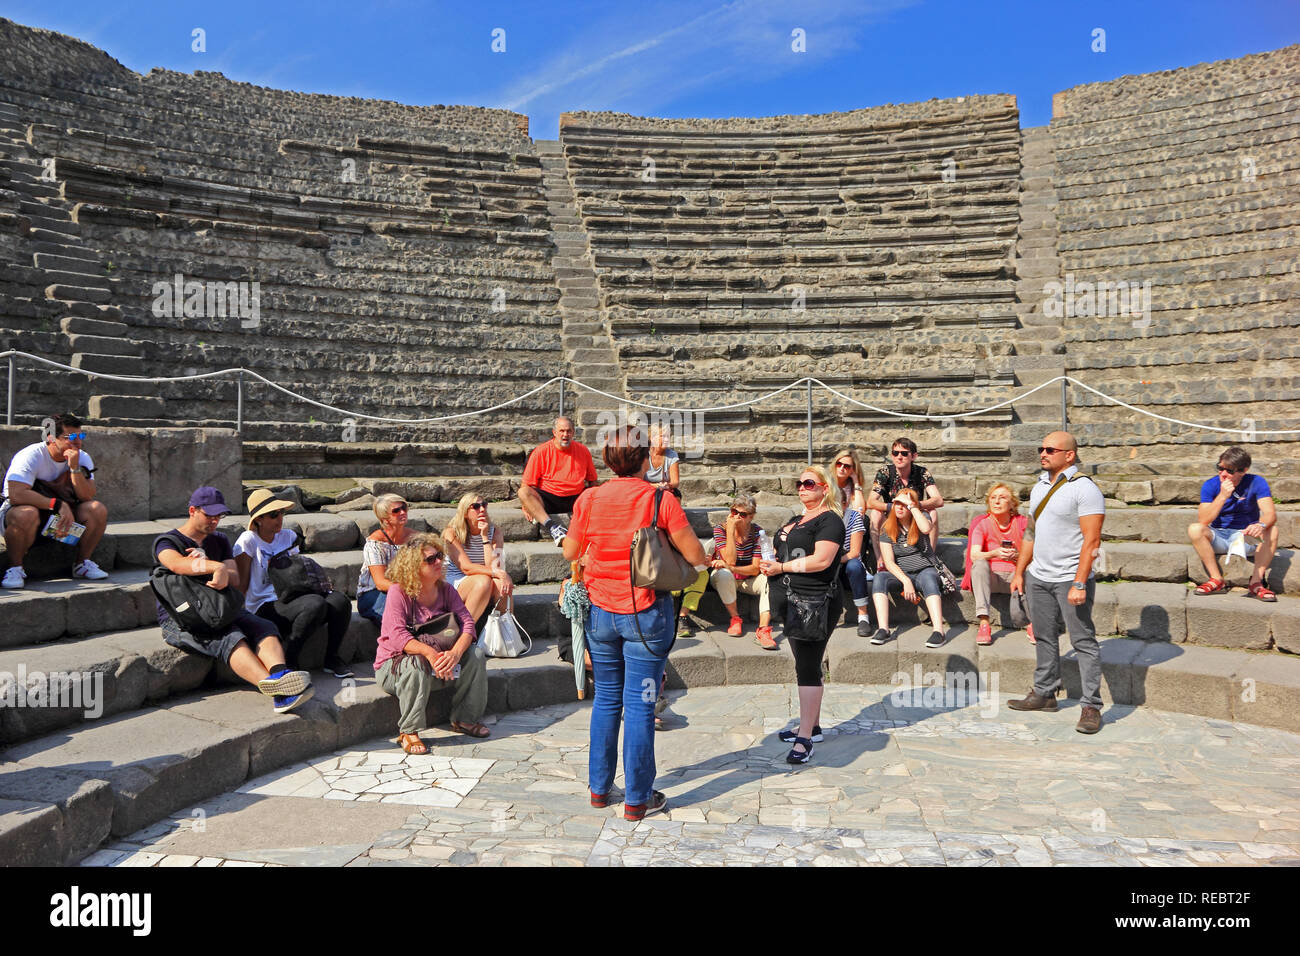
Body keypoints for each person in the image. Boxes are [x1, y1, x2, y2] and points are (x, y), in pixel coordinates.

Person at [562, 425, 707, 820]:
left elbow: (572, 550)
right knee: (641, 705)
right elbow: (694, 552)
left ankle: (599, 788)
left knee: (606, 700)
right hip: (644, 613)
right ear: (645, 459)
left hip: (600, 613)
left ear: (608, 461)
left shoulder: (589, 498)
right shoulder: (659, 499)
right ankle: (637, 798)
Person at [154, 487, 312, 713]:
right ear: (192, 511)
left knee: (264, 626)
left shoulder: (219, 540)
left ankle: (280, 674)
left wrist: (214, 564)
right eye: (209, 515)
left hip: (219, 607)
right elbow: (176, 564)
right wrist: (212, 566)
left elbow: (235, 576)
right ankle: (280, 693)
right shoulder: (167, 540)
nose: (215, 521)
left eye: (219, 516)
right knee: (231, 637)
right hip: (182, 615)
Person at [1008, 432, 1106, 735]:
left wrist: (1079, 582)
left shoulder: (1085, 489)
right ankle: (1044, 693)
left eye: (1051, 449)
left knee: (1083, 641)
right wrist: (1020, 571)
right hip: (1040, 576)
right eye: (1041, 448)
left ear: (1069, 455)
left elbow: (1092, 541)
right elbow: (1030, 534)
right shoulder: (1039, 487)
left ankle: (1091, 705)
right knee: (1044, 636)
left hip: (1069, 578)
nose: (1043, 453)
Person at [374, 534, 490, 755]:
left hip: (440, 667)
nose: (438, 562)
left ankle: (464, 719)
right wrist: (430, 654)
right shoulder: (399, 592)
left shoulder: (446, 589)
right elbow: (397, 635)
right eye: (430, 559)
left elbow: (468, 624)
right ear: (413, 567)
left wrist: (455, 653)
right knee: (415, 663)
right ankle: (408, 731)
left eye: (439, 556)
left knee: (475, 654)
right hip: (394, 669)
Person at [760, 466, 845, 765]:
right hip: (791, 599)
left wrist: (782, 568)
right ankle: (815, 725)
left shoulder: (830, 520)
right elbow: (781, 550)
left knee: (807, 667)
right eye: (799, 483)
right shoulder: (797, 520)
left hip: (814, 601)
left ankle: (805, 737)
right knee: (805, 663)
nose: (802, 487)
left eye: (809, 483)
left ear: (825, 488)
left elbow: (822, 561)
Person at [233, 489, 354, 679]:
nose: (279, 518)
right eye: (274, 514)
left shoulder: (288, 536)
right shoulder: (247, 541)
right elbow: (242, 582)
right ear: (258, 519)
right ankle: (290, 658)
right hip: (263, 604)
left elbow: (297, 573)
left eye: (281, 512)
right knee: (315, 604)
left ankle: (332, 658)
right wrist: (239, 616)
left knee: (340, 601)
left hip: (293, 594)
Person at [1, 413, 109, 588]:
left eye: (81, 436)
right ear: (51, 438)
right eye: (71, 437)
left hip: (59, 523)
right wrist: (58, 504)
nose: (78, 442)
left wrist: (74, 469)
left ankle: (82, 564)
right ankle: (15, 567)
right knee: (26, 514)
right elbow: (16, 495)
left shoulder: (82, 458)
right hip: (23, 516)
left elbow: (87, 496)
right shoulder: (31, 455)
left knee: (97, 509)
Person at [1189, 446, 1280, 601]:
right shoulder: (1211, 485)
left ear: (1243, 471)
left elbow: (1270, 513)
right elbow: (1203, 520)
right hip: (1219, 535)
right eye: (1220, 468)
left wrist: (1260, 525)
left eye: (1230, 471)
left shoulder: (1256, 482)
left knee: (1272, 530)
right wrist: (1223, 496)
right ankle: (1216, 580)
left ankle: (1256, 583)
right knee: (1195, 529)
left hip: (1244, 536)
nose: (1223, 474)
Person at [870, 487, 947, 649]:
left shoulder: (922, 517)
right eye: (897, 503)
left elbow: (927, 529)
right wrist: (905, 581)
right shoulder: (887, 527)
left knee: (928, 578)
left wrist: (913, 507)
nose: (899, 507)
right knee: (879, 578)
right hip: (902, 573)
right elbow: (889, 562)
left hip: (925, 569)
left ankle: (939, 631)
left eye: (904, 504)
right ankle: (883, 629)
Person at [962, 483, 1033, 646]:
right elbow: (974, 554)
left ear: (1013, 504)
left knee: (1033, 569)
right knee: (979, 564)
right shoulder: (983, 524)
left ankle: (1033, 623)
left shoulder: (1023, 523)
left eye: (1002, 498)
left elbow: (1036, 554)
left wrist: (1018, 557)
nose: (997, 501)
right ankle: (984, 623)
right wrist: (994, 553)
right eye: (993, 498)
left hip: (1017, 579)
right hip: (991, 579)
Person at [518, 417, 598, 548]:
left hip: (575, 498)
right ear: (554, 432)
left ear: (573, 433)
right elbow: (526, 484)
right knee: (523, 493)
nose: (565, 435)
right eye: (562, 431)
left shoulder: (583, 451)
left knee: (595, 491)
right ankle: (553, 527)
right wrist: (526, 505)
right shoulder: (541, 452)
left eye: (569, 431)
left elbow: (593, 481)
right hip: (548, 498)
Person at [707, 494, 774, 648]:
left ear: (751, 516)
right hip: (724, 579)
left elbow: (755, 568)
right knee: (724, 574)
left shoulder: (757, 532)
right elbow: (729, 559)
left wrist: (732, 568)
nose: (736, 517)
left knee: (769, 579)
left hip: (748, 579)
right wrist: (730, 531)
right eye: (734, 512)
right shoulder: (721, 529)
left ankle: (763, 629)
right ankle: (735, 618)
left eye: (742, 514)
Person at [443, 490, 514, 626]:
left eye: (484, 505)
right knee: (484, 581)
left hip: (484, 576)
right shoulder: (451, 533)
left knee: (501, 585)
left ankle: (508, 634)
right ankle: (464, 632)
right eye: (475, 506)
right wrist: (499, 573)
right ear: (465, 512)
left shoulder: (495, 532)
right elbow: (466, 568)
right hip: (456, 580)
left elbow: (493, 566)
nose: (481, 509)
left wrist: (485, 537)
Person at [866, 437, 944, 560]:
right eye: (895, 453)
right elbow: (871, 502)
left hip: (914, 514)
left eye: (904, 453)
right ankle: (880, 560)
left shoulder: (922, 472)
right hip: (892, 514)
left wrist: (914, 505)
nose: (899, 456)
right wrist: (893, 506)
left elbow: (938, 500)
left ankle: (931, 558)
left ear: (913, 456)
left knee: (933, 512)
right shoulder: (885, 472)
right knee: (875, 514)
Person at [356, 494, 415, 625]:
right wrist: (410, 590)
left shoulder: (414, 538)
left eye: (404, 507)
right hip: (373, 593)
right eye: (396, 511)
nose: (403, 512)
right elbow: (380, 582)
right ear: (385, 519)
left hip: (407, 590)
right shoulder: (375, 543)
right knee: (397, 617)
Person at [645, 423, 681, 498]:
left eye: (668, 436)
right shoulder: (642, 454)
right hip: (646, 490)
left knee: (675, 495)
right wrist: (656, 486)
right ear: (652, 437)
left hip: (665, 491)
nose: (667, 439)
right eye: (663, 436)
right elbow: (637, 481)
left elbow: (675, 482)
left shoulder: (672, 455)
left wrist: (667, 485)